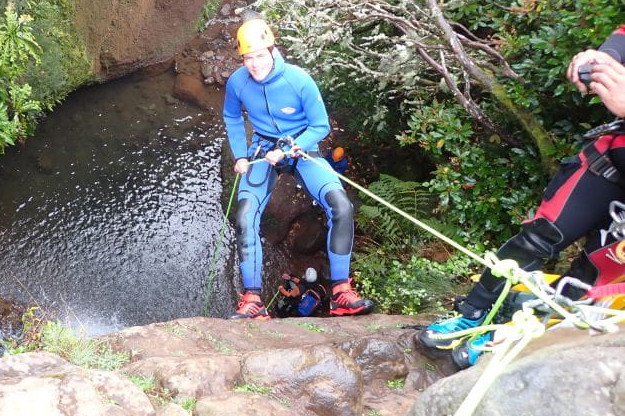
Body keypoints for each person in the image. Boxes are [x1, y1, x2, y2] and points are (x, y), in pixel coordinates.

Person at [418, 24, 625, 366]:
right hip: (609, 161)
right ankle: (474, 314)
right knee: (536, 238)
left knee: (592, 276)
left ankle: (517, 335)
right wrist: (600, 60)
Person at [222, 18, 374, 319]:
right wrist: (240, 154)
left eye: (260, 56)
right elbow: (232, 117)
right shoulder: (237, 82)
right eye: (248, 58)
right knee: (244, 215)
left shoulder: (298, 79)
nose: (255, 64)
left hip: (301, 147)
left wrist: (290, 148)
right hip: (263, 149)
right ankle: (252, 299)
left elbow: (320, 126)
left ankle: (341, 292)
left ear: (272, 49)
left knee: (341, 207)